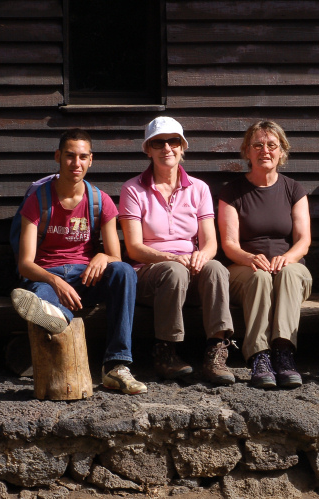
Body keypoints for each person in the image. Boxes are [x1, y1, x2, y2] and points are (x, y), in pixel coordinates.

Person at [10, 129, 145, 395]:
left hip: (86, 278)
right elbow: (25, 263)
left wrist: (102, 256)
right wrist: (54, 280)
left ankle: (117, 366)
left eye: (83, 157)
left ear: (91, 160)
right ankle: (58, 315)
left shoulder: (100, 200)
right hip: (47, 276)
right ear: (58, 157)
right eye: (70, 156)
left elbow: (115, 257)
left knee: (124, 271)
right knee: (42, 296)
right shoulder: (38, 201)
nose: (76, 163)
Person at [119, 116, 235, 385]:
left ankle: (216, 352)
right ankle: (166, 352)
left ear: (183, 147)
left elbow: (210, 244)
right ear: (148, 149)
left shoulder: (199, 188)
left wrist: (202, 256)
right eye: (158, 142)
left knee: (216, 267)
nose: (166, 148)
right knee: (173, 271)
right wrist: (173, 257)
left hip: (190, 271)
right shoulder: (133, 189)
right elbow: (135, 249)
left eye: (173, 141)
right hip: (150, 275)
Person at [217, 121, 312, 389]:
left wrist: (288, 258)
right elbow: (229, 244)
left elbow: (303, 241)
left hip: (289, 268)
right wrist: (248, 258)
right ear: (247, 151)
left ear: (282, 152)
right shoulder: (232, 192)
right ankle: (260, 356)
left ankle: (283, 353)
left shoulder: (294, 189)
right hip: (244, 268)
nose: (265, 151)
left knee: (290, 273)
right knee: (259, 278)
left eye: (272, 145)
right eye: (257, 145)